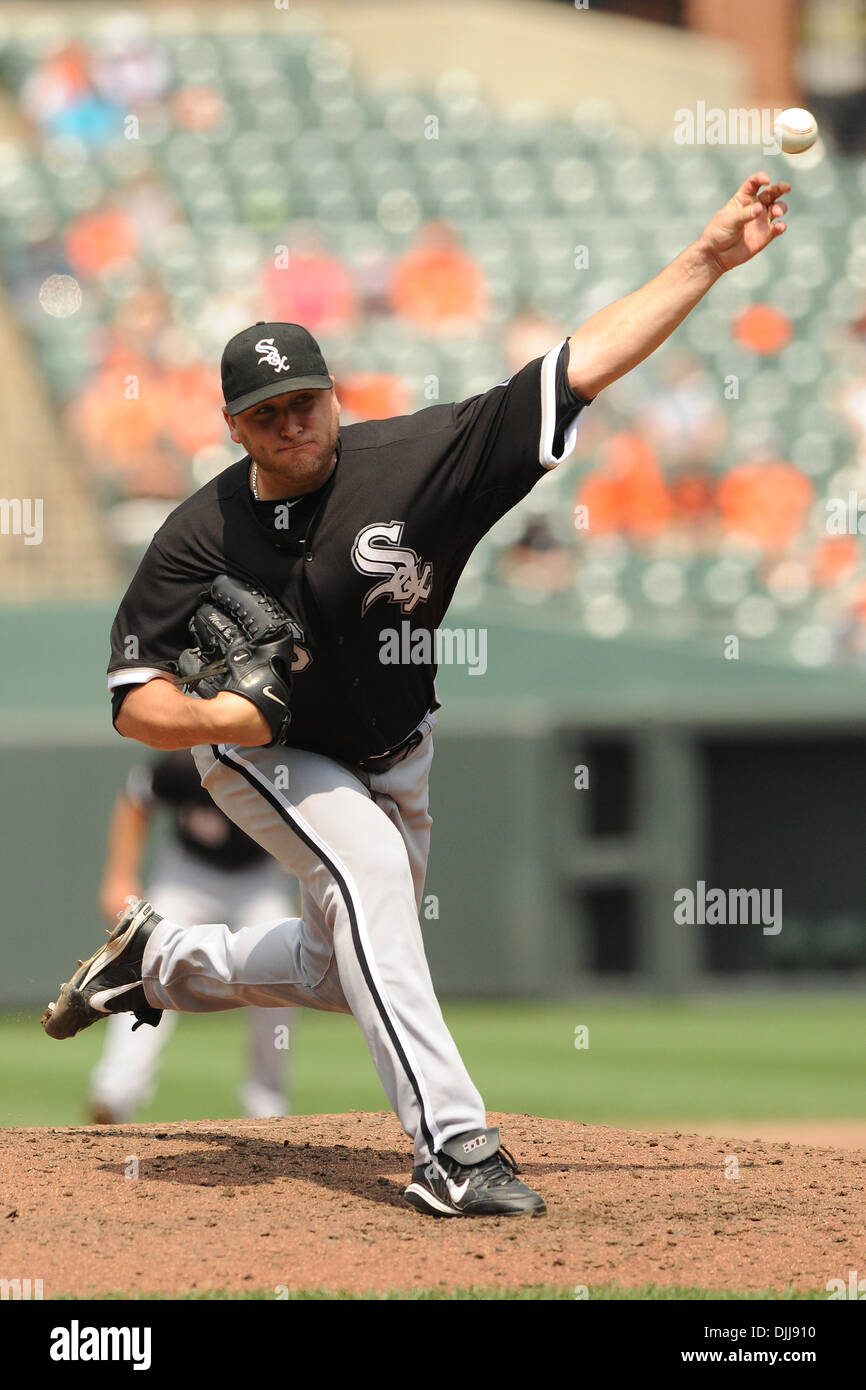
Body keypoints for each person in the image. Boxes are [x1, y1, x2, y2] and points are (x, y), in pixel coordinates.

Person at [43, 172, 791, 1217]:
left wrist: (706, 259)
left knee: (332, 960)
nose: (290, 423)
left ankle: (159, 956)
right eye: (264, 413)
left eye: (303, 400)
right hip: (267, 750)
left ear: (334, 391)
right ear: (231, 424)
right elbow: (134, 699)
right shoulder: (196, 536)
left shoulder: (418, 463)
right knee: (370, 881)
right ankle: (451, 1148)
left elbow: (575, 368)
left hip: (398, 742)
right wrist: (223, 719)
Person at [88, 750, 298, 1124]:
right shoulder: (185, 762)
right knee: (145, 960)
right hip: (188, 873)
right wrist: (119, 874)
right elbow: (136, 800)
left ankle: (266, 1107)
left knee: (282, 967)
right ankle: (116, 1092)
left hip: (257, 877)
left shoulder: (267, 761)